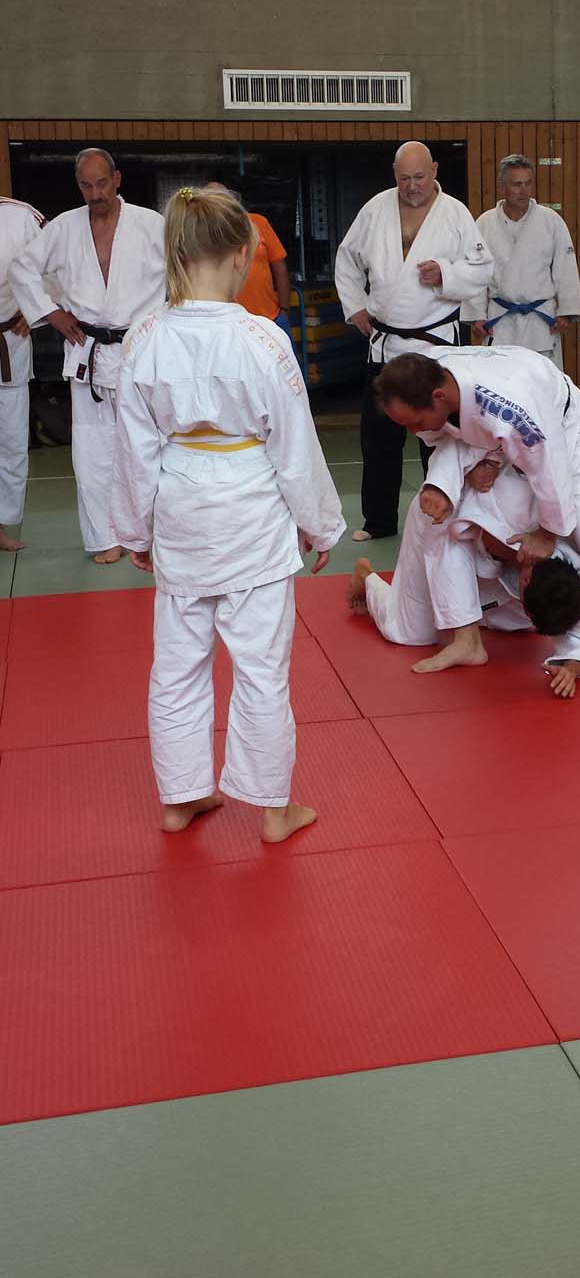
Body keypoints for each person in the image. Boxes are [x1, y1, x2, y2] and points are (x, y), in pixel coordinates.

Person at [111, 185, 344, 845]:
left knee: (177, 663)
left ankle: (181, 797)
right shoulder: (262, 339)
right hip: (251, 512)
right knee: (260, 667)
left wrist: (135, 530)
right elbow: (294, 449)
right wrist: (320, 523)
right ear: (244, 254)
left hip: (180, 508)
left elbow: (132, 452)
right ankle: (273, 810)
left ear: (176, 252)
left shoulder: (144, 337)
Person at [372, 345, 580, 673]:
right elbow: (459, 436)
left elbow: (550, 467)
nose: (413, 432)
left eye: (416, 422)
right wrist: (468, 470)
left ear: (439, 396)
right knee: (441, 514)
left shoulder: (510, 410)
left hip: (565, 427)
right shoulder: (429, 371)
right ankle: (465, 638)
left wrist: (547, 534)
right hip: (513, 419)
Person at [8, 147, 166, 561]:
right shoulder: (64, 227)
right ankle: (105, 538)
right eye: (86, 186)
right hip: (88, 351)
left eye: (101, 183)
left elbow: (181, 276)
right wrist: (50, 313)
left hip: (141, 349)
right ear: (78, 186)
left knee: (148, 447)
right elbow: (23, 268)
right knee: (93, 454)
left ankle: (150, 535)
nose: (96, 194)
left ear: (117, 179)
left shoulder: (153, 225)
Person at [349, 445, 580, 698]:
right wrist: (475, 468)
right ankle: (368, 579)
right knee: (411, 633)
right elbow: (464, 449)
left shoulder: (573, 572)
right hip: (438, 518)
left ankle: (472, 621)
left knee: (533, 621)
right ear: (526, 578)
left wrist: (572, 669)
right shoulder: (506, 509)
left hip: (490, 588)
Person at [334, 140, 493, 542]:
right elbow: (347, 259)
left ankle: (445, 511)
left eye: (419, 176)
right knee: (379, 434)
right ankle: (378, 521)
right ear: (394, 174)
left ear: (434, 170)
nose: (412, 185)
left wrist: (446, 275)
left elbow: (482, 270)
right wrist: (355, 307)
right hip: (386, 342)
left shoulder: (455, 214)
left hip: (434, 343)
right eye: (404, 178)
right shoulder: (375, 209)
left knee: (439, 436)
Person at [466, 154, 580, 365]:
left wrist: (566, 311)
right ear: (502, 187)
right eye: (517, 184)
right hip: (500, 320)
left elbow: (566, 269)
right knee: (501, 378)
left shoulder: (551, 221)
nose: (524, 190)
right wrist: (476, 314)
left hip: (541, 321)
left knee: (543, 379)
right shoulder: (485, 223)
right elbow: (475, 272)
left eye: (528, 183)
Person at [0, 196, 44, 551]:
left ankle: (0, 524)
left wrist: (34, 311)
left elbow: (54, 269)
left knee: (12, 442)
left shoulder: (21, 217)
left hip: (9, 342)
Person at [208, 183, 291, 332]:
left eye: (221, 198)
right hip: (229, 322)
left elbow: (280, 267)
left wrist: (284, 309)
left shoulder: (258, 222)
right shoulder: (204, 232)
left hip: (271, 317)